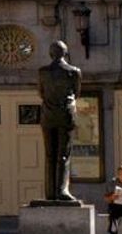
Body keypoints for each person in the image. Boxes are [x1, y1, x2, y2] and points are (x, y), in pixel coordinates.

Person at [38, 40, 82, 201]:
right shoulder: (74, 71)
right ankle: (61, 190)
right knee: (63, 155)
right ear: (65, 53)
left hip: (48, 114)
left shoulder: (43, 72)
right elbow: (76, 93)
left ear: (50, 54)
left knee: (50, 154)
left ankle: (50, 192)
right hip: (66, 114)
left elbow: (41, 93)